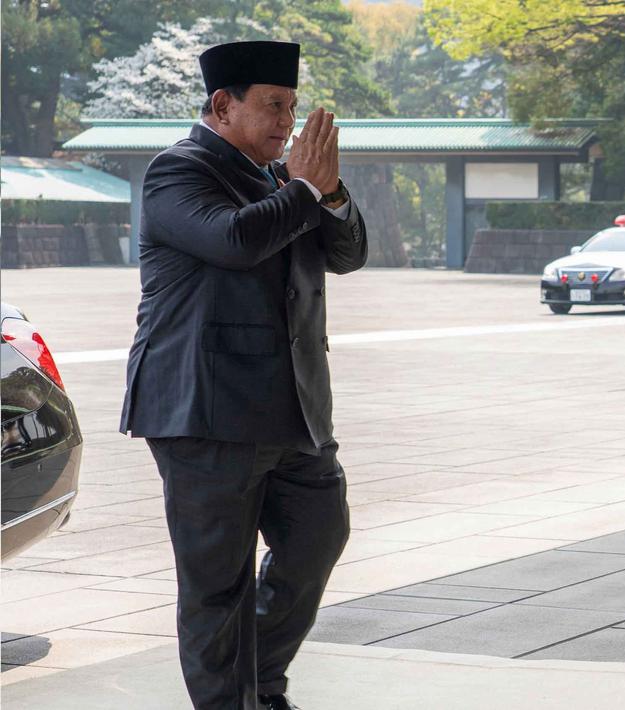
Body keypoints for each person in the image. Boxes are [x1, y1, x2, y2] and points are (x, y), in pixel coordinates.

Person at [119, 40, 368, 710]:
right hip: (207, 413)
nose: (287, 121)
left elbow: (347, 254)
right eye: (273, 106)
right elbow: (235, 241)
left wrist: (328, 191)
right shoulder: (178, 170)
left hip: (294, 411)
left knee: (317, 539)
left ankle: (258, 684)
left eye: (292, 107)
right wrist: (305, 189)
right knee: (217, 587)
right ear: (223, 106)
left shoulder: (283, 179)